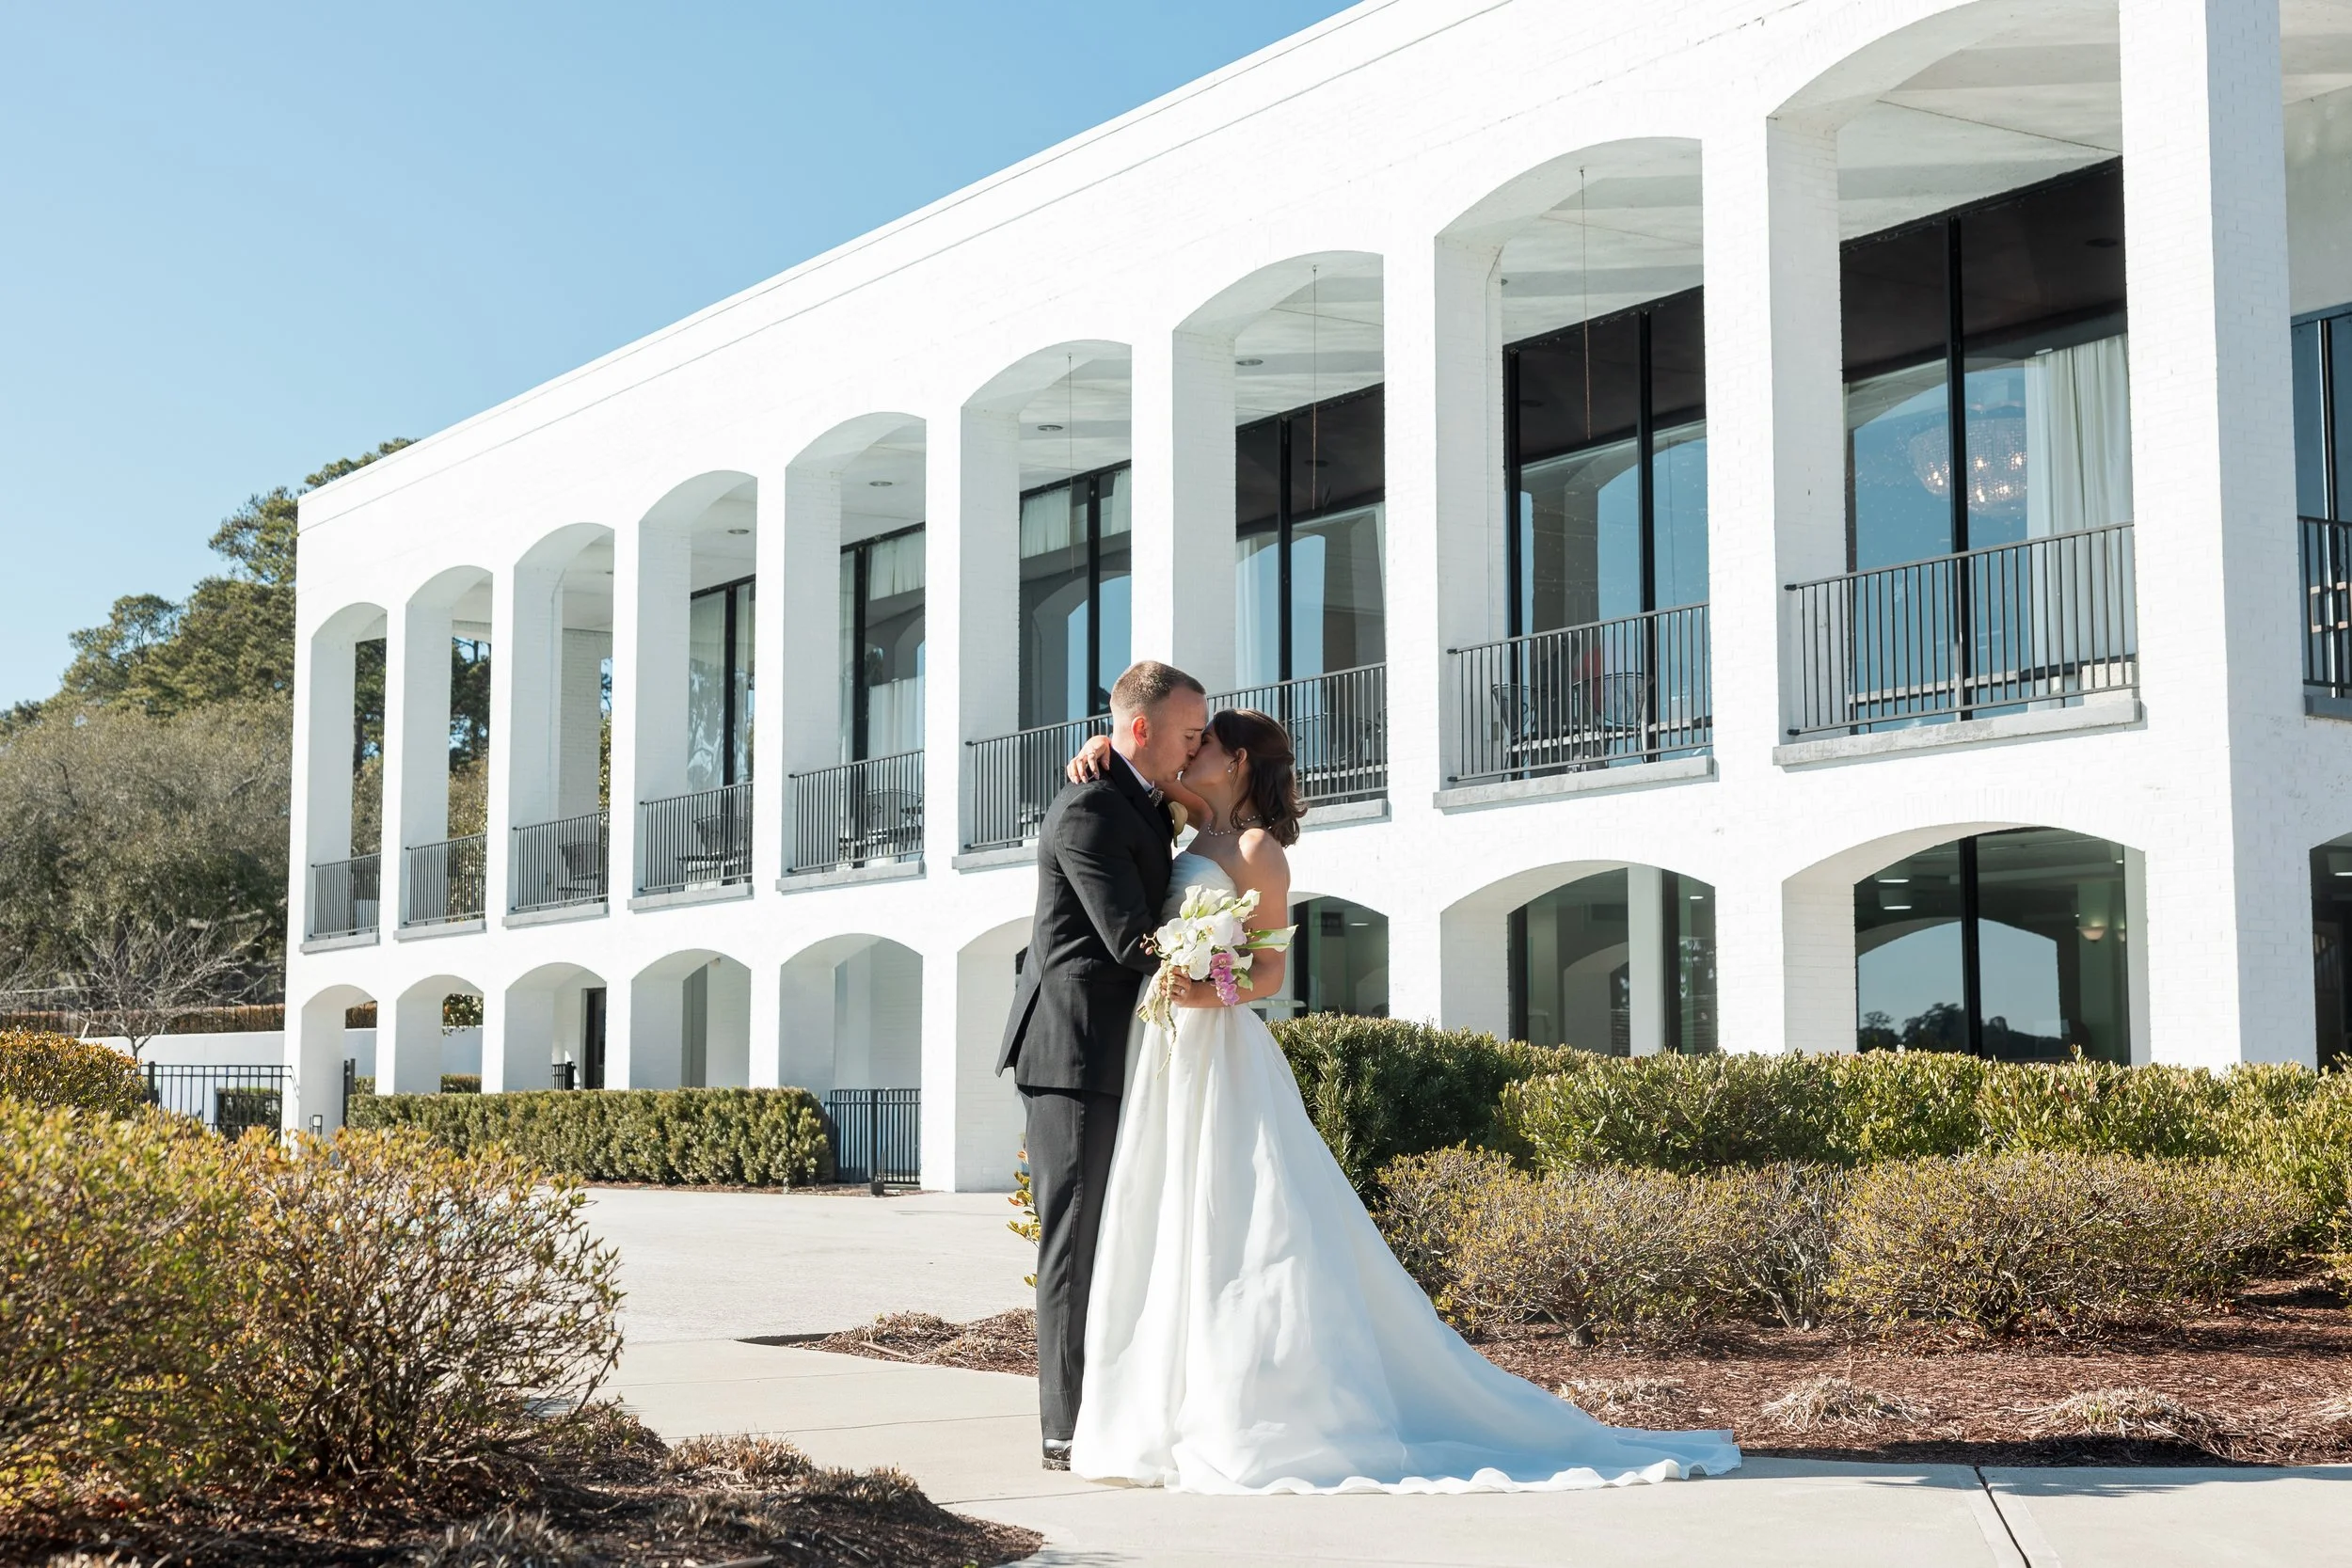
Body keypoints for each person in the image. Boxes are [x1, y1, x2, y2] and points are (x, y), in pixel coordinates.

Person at [1057, 709, 1741, 1494]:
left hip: (1219, 1049)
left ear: (1235, 759)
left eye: (1203, 739)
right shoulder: (1184, 826)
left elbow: (1269, 980)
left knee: (1242, 1219)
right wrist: (1100, 744)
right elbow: (1135, 760)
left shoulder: (1257, 853)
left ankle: (1262, 1408)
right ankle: (1164, 1405)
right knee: (1170, 1213)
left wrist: (1202, 983)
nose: (1190, 747)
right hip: (1168, 1056)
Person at [996, 659, 1208, 1472]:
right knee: (1074, 1244)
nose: (1195, 749)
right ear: (1145, 730)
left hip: (1120, 1051)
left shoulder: (1136, 794)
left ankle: (1107, 1408)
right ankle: (1065, 1429)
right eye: (1187, 734)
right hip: (1074, 1054)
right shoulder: (1090, 804)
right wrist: (1226, 970)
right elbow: (1127, 939)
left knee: (1114, 1238)